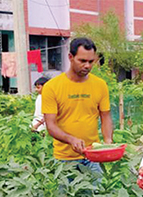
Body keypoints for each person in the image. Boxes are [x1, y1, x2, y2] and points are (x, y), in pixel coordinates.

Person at [42, 37, 113, 177]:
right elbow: (50, 125)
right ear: (70, 57)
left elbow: (106, 117)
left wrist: (108, 141)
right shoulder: (52, 87)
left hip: (93, 156)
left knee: (96, 196)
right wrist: (71, 139)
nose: (87, 66)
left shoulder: (100, 85)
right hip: (64, 159)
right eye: (82, 61)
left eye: (91, 61)